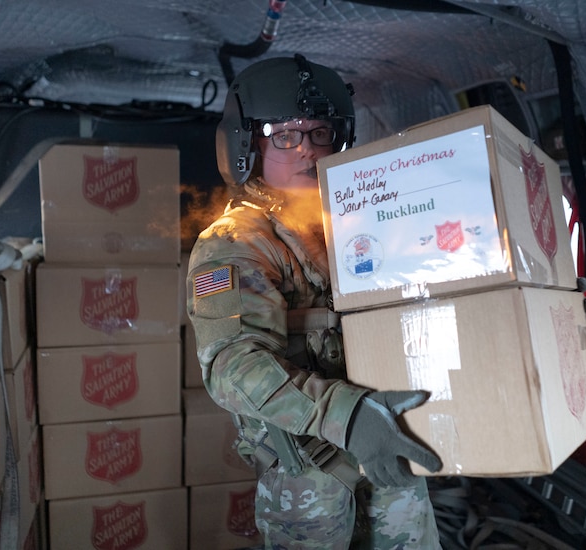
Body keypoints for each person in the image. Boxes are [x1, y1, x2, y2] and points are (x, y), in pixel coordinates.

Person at [186, 54, 442, 549]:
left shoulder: (363, 226)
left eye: (318, 133)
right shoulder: (234, 242)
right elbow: (232, 368)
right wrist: (346, 416)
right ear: (247, 147)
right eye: (285, 135)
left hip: (391, 442)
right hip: (311, 474)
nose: (306, 149)